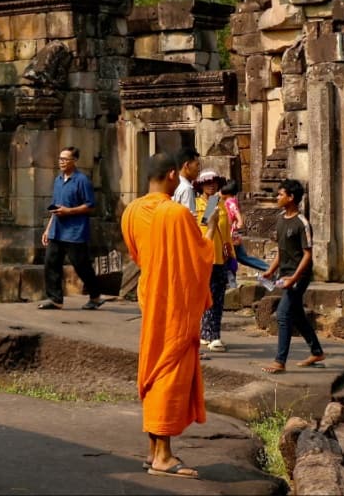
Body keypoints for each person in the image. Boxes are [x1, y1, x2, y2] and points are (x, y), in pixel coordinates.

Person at [121, 153, 214, 480]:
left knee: (155, 366)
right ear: (173, 175)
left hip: (151, 298)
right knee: (169, 372)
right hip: (174, 303)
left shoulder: (131, 212)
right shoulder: (175, 213)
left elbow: (140, 255)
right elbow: (199, 256)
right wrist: (210, 232)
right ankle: (162, 455)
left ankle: (154, 450)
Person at [260, 179, 325, 374]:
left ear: (291, 198)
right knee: (296, 315)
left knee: (283, 314)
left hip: (299, 275)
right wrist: (271, 270)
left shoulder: (302, 223)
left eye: (281, 195)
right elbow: (281, 251)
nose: (277, 197)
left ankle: (280, 361)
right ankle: (316, 351)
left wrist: (294, 278)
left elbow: (307, 254)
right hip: (285, 273)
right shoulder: (280, 219)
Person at [39, 146, 103, 311]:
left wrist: (69, 211)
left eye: (65, 159)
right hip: (57, 230)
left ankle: (95, 296)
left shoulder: (82, 180)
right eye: (60, 158)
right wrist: (47, 230)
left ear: (74, 161)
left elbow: (90, 206)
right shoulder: (58, 180)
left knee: (81, 265)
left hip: (75, 231)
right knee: (50, 263)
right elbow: (56, 207)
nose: (61, 162)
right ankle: (55, 299)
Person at [195, 170, 232, 352]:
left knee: (217, 298)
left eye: (214, 182)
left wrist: (231, 255)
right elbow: (206, 224)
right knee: (209, 298)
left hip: (220, 258)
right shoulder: (200, 204)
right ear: (201, 185)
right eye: (207, 182)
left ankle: (210, 333)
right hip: (204, 257)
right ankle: (212, 335)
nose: (212, 185)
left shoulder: (221, 204)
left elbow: (226, 234)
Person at [222, 179, 270, 272]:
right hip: (231, 235)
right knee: (241, 257)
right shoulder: (232, 200)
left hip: (231, 236)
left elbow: (237, 214)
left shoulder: (229, 202)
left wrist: (239, 222)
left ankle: (268, 268)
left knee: (236, 258)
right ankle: (268, 268)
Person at [172, 146, 200, 214]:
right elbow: (189, 217)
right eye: (197, 165)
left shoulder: (173, 184)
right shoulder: (186, 188)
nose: (198, 169)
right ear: (187, 165)